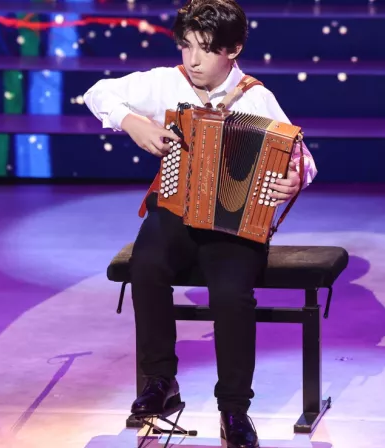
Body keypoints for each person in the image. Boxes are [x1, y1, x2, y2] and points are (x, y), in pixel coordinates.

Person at [83, 1, 317, 446]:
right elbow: (98, 93)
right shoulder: (166, 83)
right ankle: (161, 381)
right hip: (175, 209)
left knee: (231, 293)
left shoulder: (255, 97)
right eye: (186, 46)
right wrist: (132, 123)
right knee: (146, 265)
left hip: (234, 224)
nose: (192, 60)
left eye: (205, 49)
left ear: (233, 49)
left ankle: (234, 409)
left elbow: (302, 158)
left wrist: (293, 179)